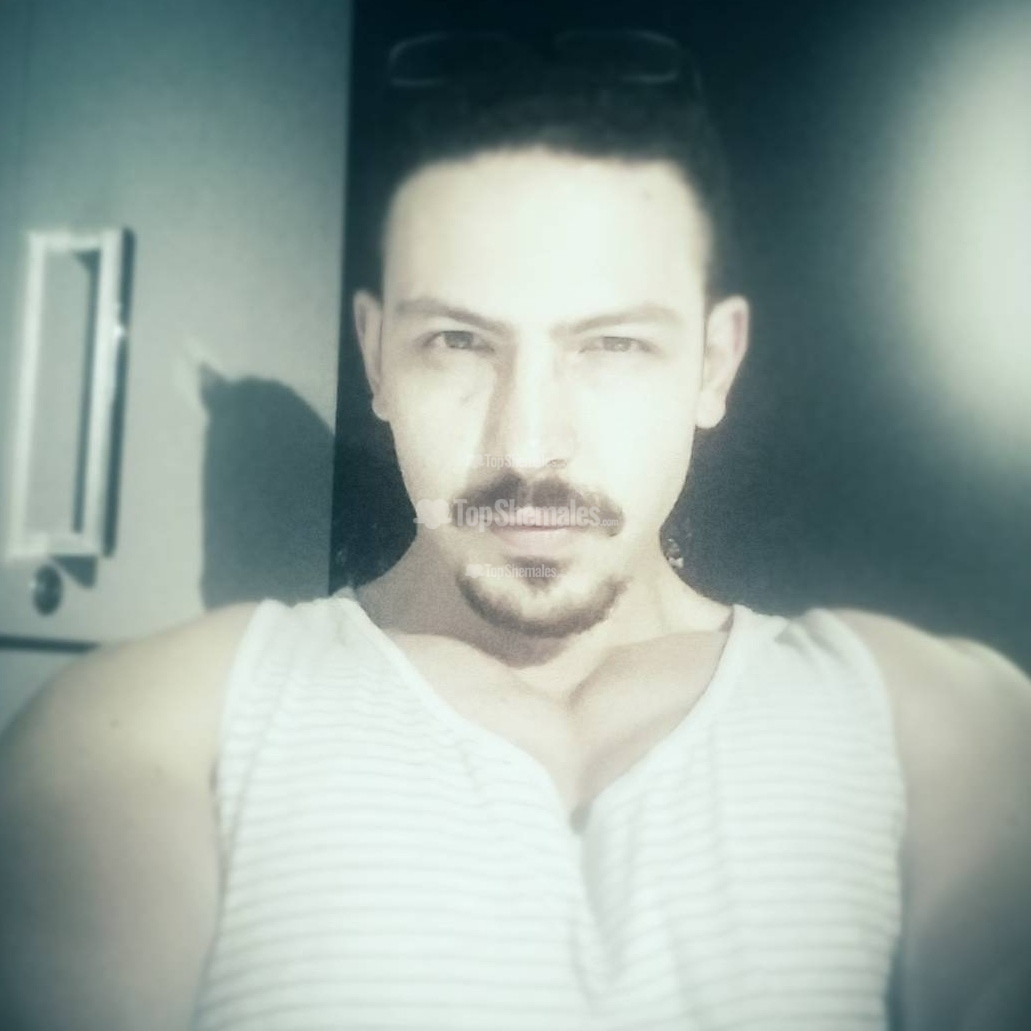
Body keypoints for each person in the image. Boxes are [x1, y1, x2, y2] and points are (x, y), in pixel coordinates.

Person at [1, 36, 1029, 1031]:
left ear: (713, 363)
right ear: (377, 356)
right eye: (458, 340)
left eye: (611, 344)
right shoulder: (152, 730)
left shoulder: (932, 728)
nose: (529, 444)